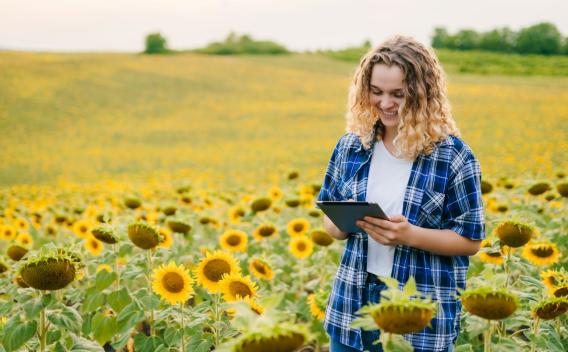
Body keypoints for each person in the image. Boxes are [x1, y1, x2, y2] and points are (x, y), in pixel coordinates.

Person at [317, 35, 485, 352]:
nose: (385, 103)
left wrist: (409, 235)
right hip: (352, 302)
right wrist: (342, 222)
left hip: (419, 311)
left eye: (398, 94)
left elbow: (470, 240)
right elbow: (330, 226)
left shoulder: (452, 156)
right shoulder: (351, 145)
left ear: (423, 94)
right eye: (376, 91)